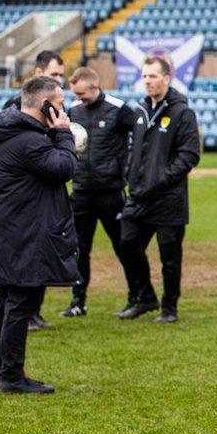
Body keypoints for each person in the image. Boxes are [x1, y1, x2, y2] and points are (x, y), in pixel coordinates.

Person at [0, 76, 78, 394]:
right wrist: (63, 134)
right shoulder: (29, 141)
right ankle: (12, 376)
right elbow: (64, 168)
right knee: (20, 300)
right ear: (45, 105)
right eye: (61, 103)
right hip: (23, 231)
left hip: (7, 228)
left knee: (5, 299)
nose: (65, 109)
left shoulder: (6, 132)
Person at [117, 56, 200, 323]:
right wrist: (131, 177)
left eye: (153, 76)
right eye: (144, 76)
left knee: (170, 257)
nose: (148, 81)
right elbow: (134, 152)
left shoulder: (182, 113)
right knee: (128, 244)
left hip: (168, 199)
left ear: (167, 77)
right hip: (139, 196)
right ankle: (145, 297)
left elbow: (189, 156)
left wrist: (161, 180)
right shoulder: (140, 111)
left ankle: (169, 307)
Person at [61, 67, 139, 317]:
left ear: (95, 87)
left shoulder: (119, 109)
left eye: (82, 93)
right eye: (75, 94)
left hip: (111, 192)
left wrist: (126, 170)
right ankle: (77, 302)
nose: (79, 98)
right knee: (79, 249)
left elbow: (141, 136)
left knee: (123, 246)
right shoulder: (73, 110)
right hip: (81, 190)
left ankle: (136, 297)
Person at [1, 49, 67, 331]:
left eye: (61, 76)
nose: (59, 80)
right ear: (38, 74)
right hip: (22, 208)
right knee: (19, 277)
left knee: (42, 256)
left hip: (39, 204)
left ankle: (35, 311)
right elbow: (52, 162)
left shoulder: (51, 110)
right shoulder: (18, 111)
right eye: (54, 75)